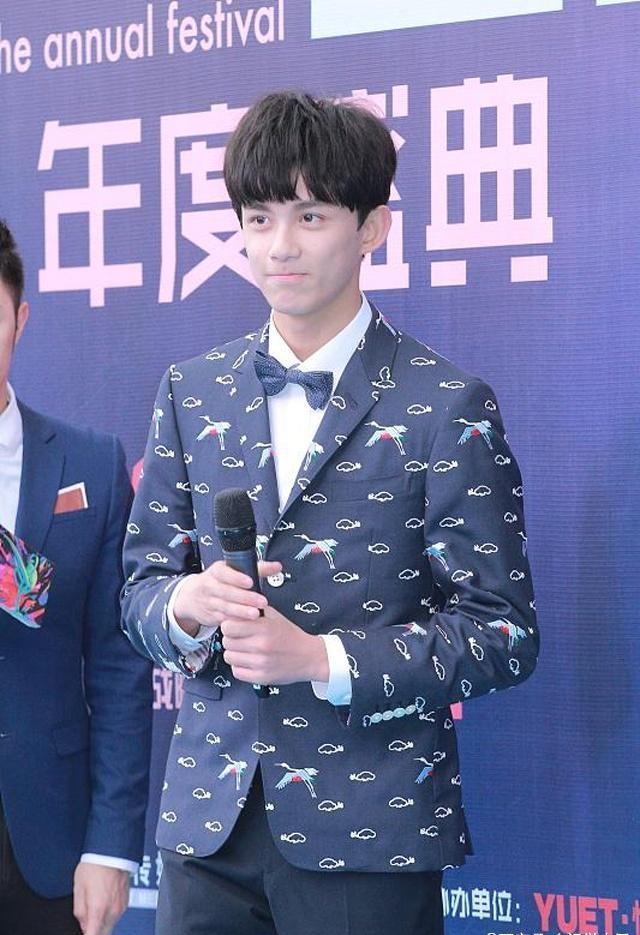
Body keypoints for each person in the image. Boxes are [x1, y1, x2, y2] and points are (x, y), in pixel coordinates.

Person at [121, 91, 539, 935]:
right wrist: (185, 604)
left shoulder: (444, 404)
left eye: (310, 216)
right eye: (260, 217)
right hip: (207, 826)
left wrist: (322, 657)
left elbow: (503, 631)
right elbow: (139, 590)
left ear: (372, 227)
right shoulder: (191, 390)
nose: (280, 245)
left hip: (371, 833)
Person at [0, 220, 153, 935]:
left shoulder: (90, 463)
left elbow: (120, 670)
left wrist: (111, 845)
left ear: (20, 319)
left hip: (47, 843)